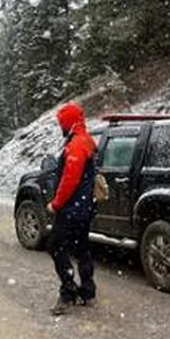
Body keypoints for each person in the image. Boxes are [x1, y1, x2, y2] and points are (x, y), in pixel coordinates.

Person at [47, 101, 98, 316]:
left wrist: (56, 204)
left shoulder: (76, 144)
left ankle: (68, 291)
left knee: (56, 246)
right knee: (81, 247)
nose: (60, 127)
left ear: (68, 123)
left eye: (61, 123)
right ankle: (87, 291)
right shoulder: (86, 140)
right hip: (84, 208)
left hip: (71, 209)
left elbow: (70, 180)